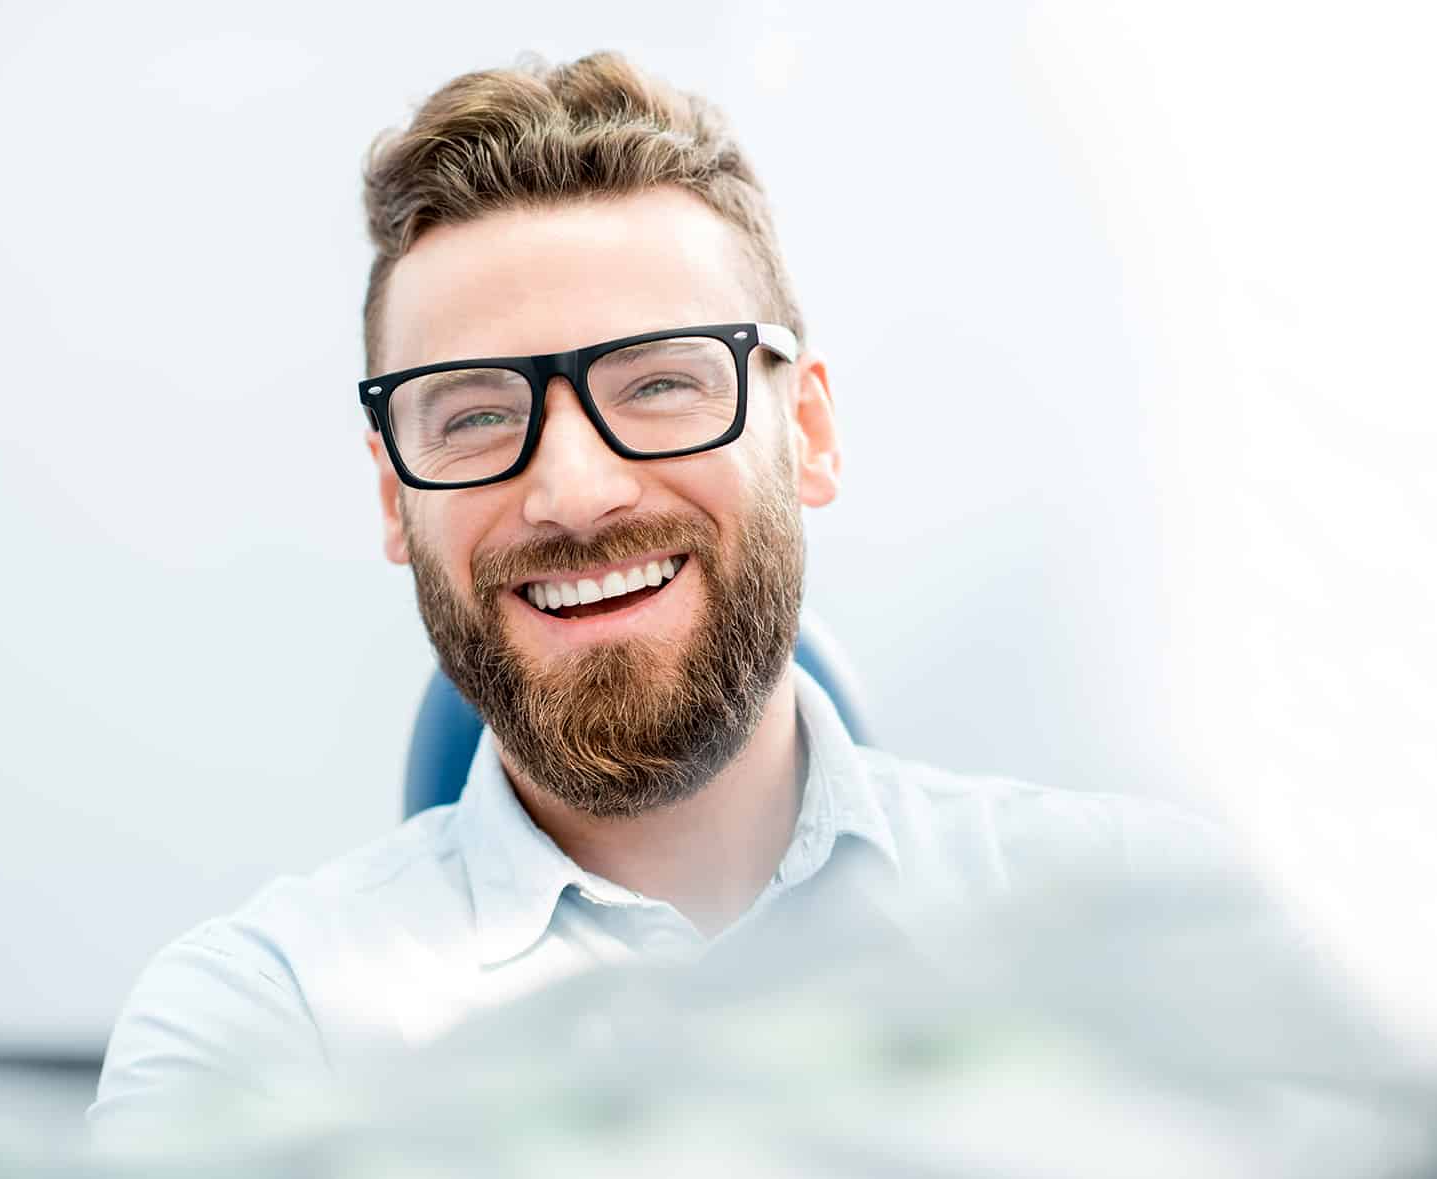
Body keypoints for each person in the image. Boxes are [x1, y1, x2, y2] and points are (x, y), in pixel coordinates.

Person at [88, 50, 1223, 1142]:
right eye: (476, 414)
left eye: (663, 383)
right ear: (394, 501)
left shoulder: (1143, 925)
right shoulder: (264, 1028)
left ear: (809, 434)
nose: (574, 493)